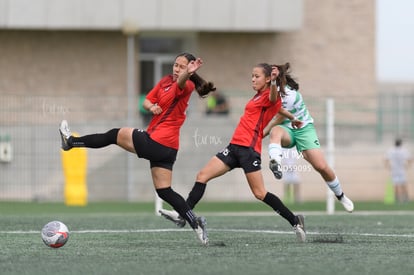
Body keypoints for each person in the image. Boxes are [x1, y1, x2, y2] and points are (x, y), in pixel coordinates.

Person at [58, 53, 216, 245]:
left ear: (189, 71)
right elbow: (147, 100)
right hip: (168, 149)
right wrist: (152, 107)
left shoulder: (186, 85)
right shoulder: (166, 81)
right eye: (176, 65)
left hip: (157, 141)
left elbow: (181, 83)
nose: (176, 69)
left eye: (182, 67)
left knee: (114, 134)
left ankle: (71, 142)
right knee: (164, 191)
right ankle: (196, 223)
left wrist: (188, 74)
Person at [160, 62, 307, 242]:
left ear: (268, 79)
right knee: (202, 176)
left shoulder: (271, 95)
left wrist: (275, 83)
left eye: (257, 76)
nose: (253, 79)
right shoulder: (258, 97)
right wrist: (292, 117)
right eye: (252, 76)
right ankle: (183, 215)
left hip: (249, 151)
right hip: (234, 147)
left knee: (260, 193)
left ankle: (295, 220)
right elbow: (279, 109)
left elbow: (275, 98)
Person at [263, 63, 354, 213]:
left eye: (258, 76)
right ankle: (276, 163)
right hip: (287, 129)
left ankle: (341, 196)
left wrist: (260, 135)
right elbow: (271, 107)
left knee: (321, 167)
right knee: (275, 132)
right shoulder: (269, 92)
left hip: (303, 128)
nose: (255, 79)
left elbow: (278, 116)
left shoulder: (289, 94)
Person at [385, 138, 412, 203]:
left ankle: (397, 198)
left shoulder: (391, 150)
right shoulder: (404, 150)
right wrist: (407, 166)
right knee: (403, 184)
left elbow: (386, 159)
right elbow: (410, 159)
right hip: (402, 170)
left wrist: (388, 166)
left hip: (394, 170)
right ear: (401, 143)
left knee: (395, 184)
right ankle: (406, 198)